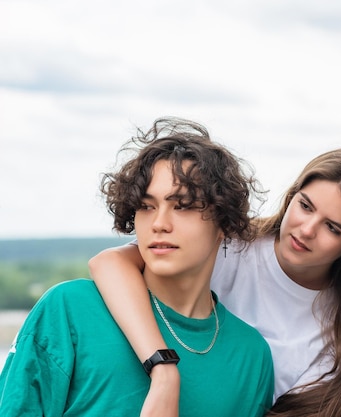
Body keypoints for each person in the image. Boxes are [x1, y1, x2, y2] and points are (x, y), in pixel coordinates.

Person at [89, 145, 341, 417]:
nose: (306, 229)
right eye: (305, 205)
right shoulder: (228, 242)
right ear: (291, 196)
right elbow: (110, 262)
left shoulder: (340, 345)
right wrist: (163, 369)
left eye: (333, 228)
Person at [0, 118, 274, 416]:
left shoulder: (250, 354)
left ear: (224, 222)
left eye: (182, 206)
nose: (159, 224)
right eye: (146, 206)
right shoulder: (70, 309)